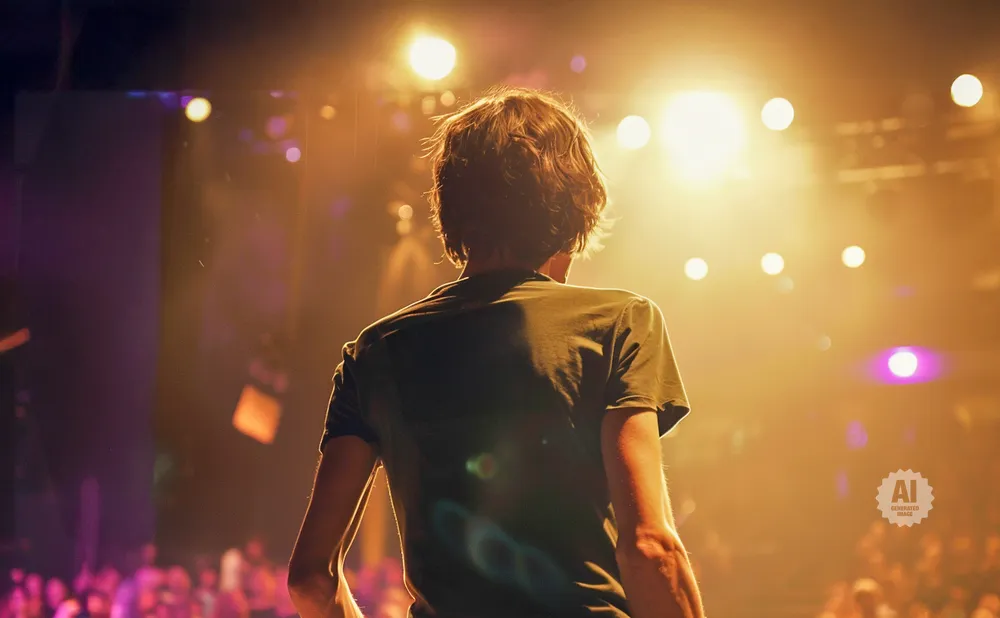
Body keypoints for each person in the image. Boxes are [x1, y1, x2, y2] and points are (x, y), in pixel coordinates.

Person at [288, 86, 704, 618]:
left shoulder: (373, 353)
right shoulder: (620, 322)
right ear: (572, 210)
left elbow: (310, 580)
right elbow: (648, 547)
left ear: (451, 207)